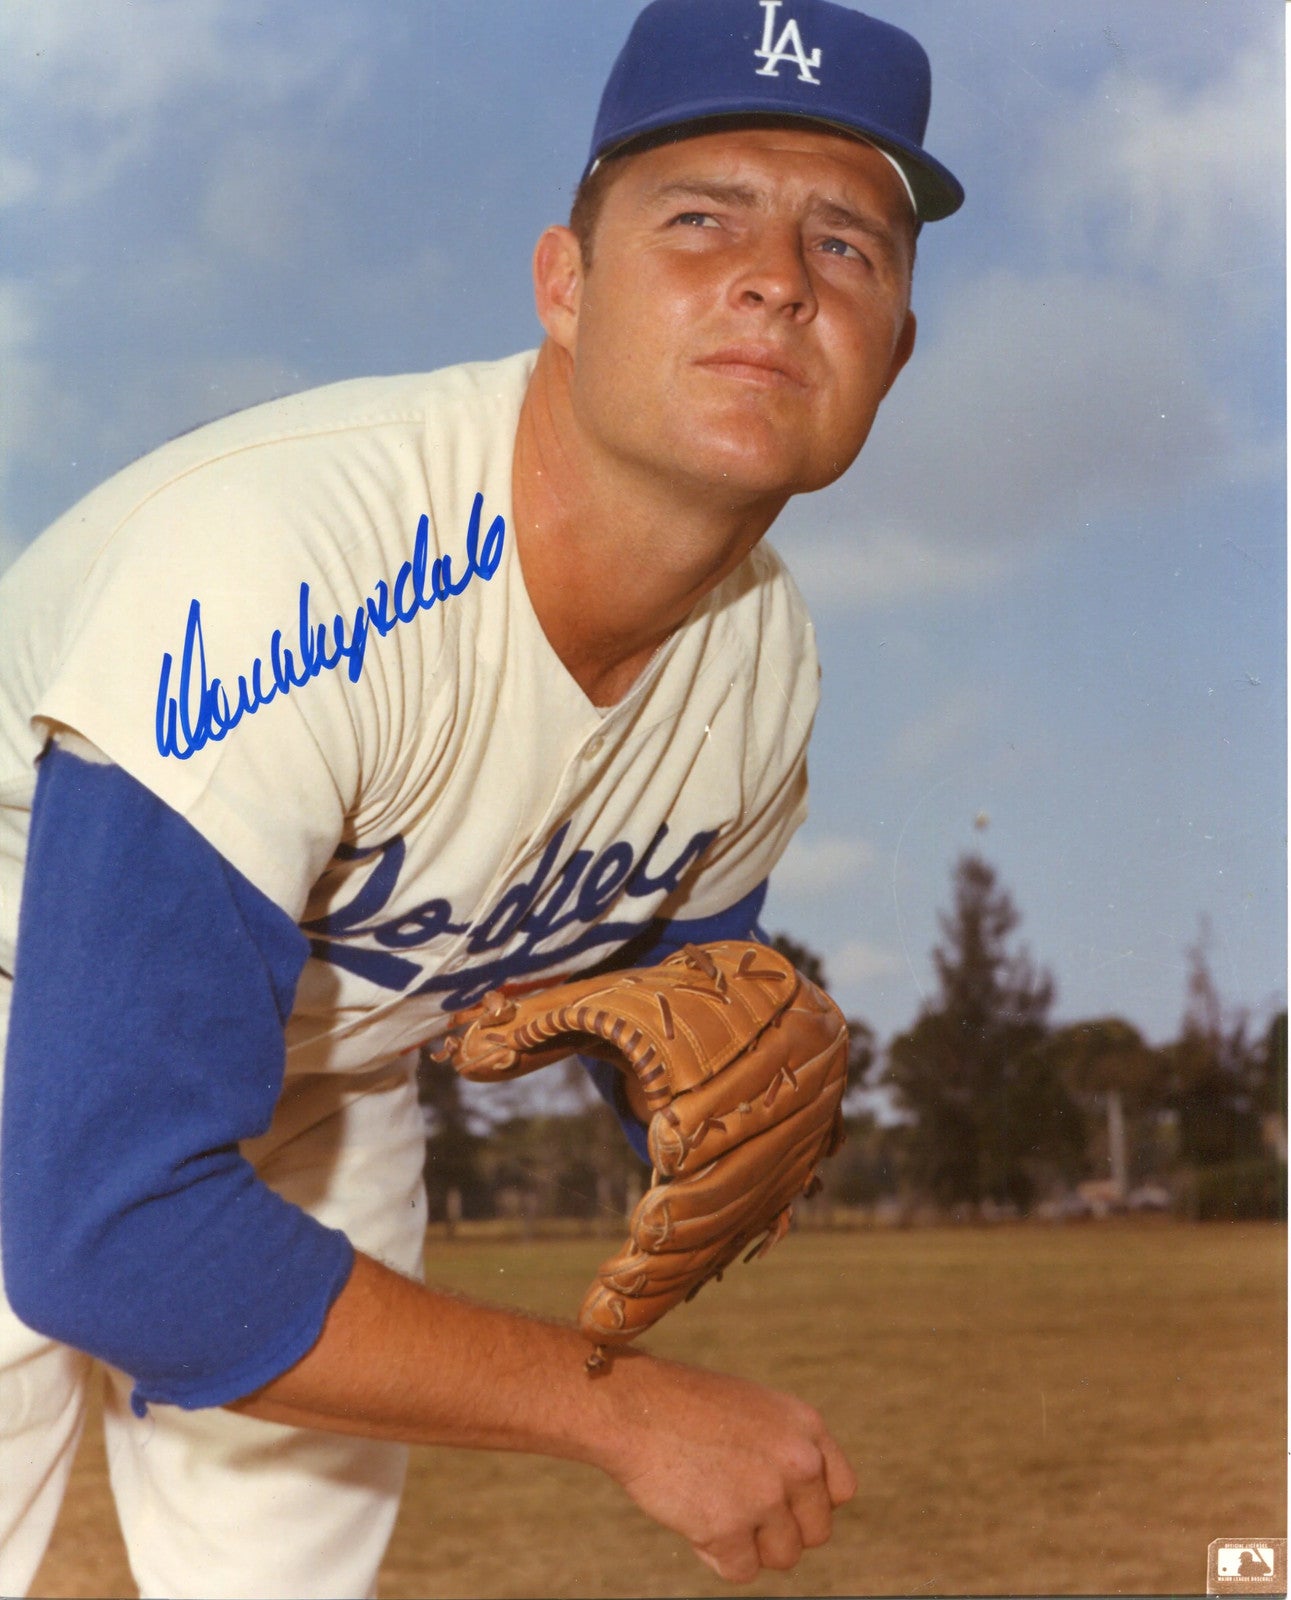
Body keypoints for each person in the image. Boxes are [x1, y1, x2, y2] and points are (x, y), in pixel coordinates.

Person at [0, 1, 962, 1594]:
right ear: (563, 289)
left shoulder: (760, 663)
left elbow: (661, 1024)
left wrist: (703, 1088)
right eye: (700, 217)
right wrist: (627, 1413)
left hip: (328, 1080)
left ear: (895, 352)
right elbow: (105, 1225)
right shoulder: (285, 570)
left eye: (846, 245)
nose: (777, 278)